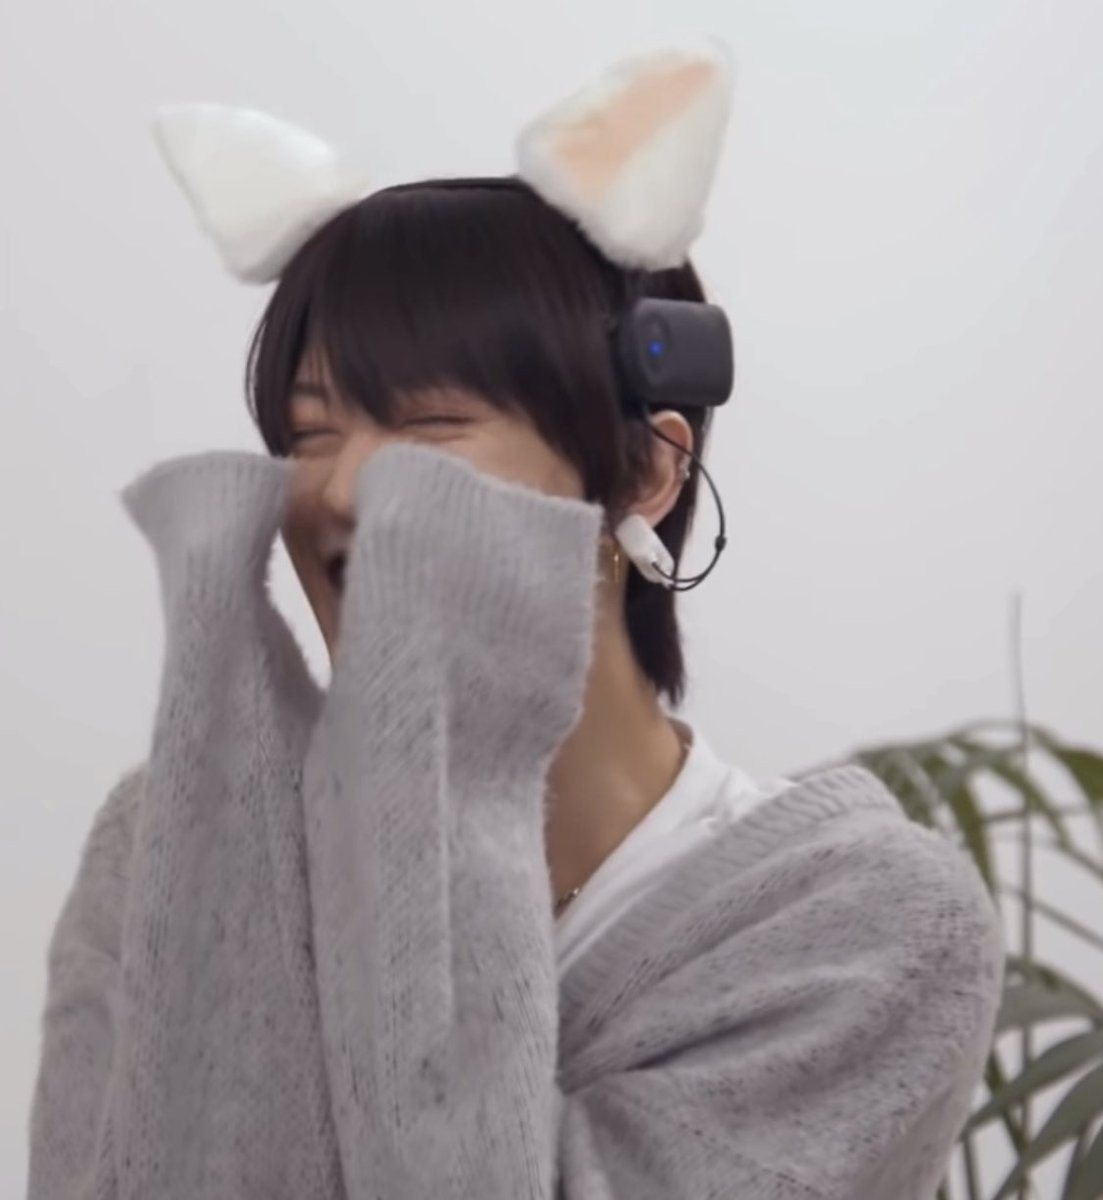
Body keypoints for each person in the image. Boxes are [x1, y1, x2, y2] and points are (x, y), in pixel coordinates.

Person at [28, 40, 1004, 1199]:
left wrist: (429, 777)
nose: (340, 490)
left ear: (643, 470)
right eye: (309, 434)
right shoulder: (172, 843)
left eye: (428, 429)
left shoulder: (858, 925)